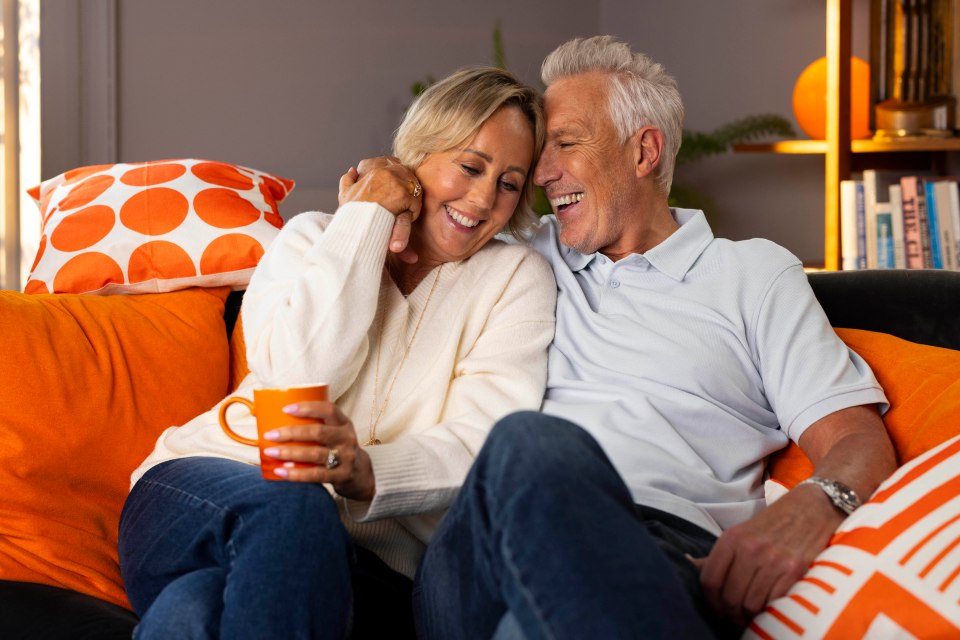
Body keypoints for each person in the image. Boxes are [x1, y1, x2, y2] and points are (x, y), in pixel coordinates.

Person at [412, 36, 898, 639]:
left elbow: (856, 436)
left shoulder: (752, 275)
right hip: (483, 543)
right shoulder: (518, 256)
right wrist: (379, 198)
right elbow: (422, 221)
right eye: (541, 153)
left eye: (565, 144)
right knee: (527, 443)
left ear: (644, 151)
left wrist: (817, 503)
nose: (539, 174)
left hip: (661, 553)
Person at [117, 66, 556, 640]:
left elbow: (482, 440)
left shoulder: (516, 277)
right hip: (202, 494)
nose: (482, 198)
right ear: (417, 155)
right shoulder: (313, 236)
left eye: (509, 183)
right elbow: (299, 377)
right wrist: (368, 217)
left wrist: (367, 473)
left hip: (366, 568)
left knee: (194, 611)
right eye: (470, 167)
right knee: (294, 510)